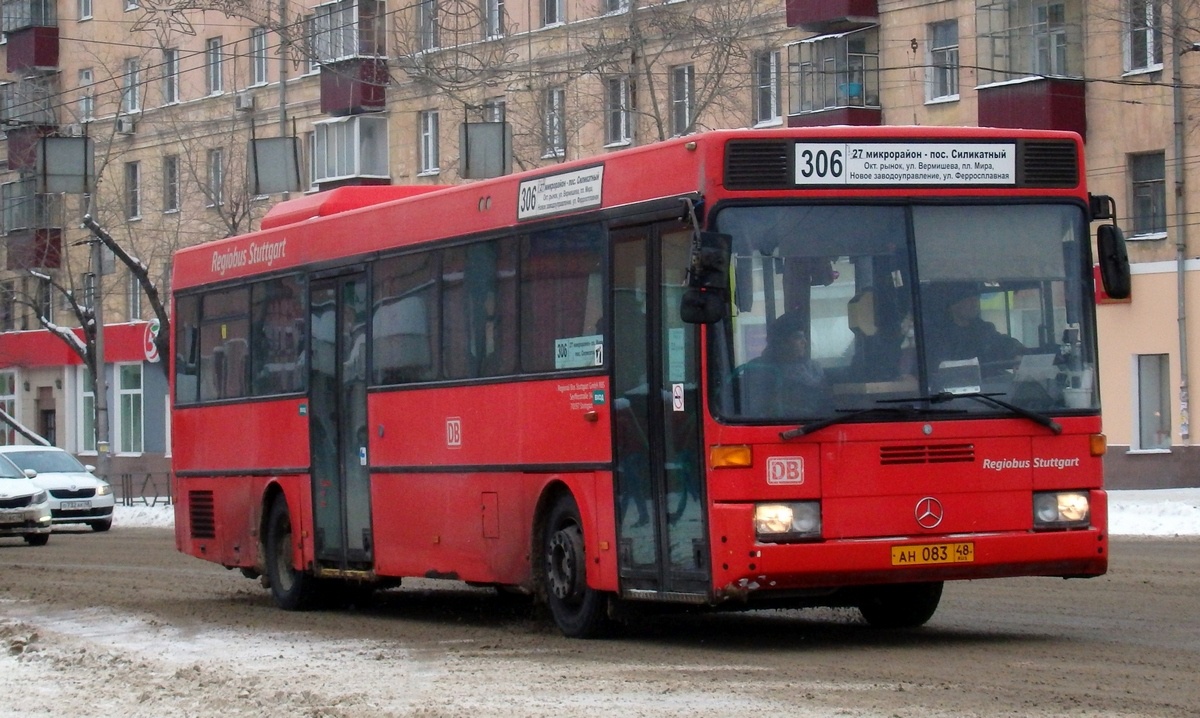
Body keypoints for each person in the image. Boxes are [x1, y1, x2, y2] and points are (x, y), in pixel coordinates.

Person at [736, 313, 829, 417]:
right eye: (798, 337)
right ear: (781, 341)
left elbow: (825, 405)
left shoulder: (814, 368)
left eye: (804, 337)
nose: (804, 342)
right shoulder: (757, 369)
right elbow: (754, 409)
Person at [928, 284, 1025, 374]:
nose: (974, 304)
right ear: (954, 305)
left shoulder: (984, 330)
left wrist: (1017, 353)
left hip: (990, 386)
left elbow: (1004, 344)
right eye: (969, 299)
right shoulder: (939, 336)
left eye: (976, 298)